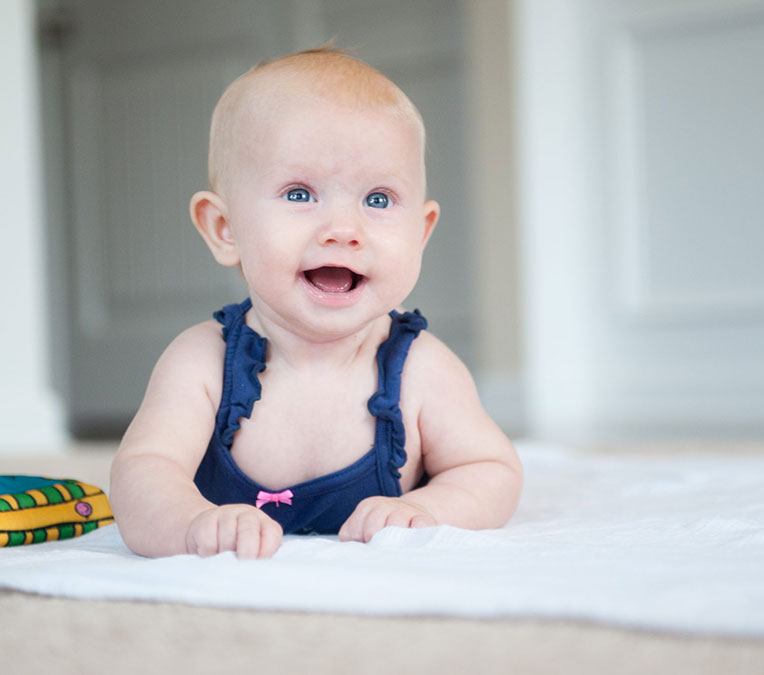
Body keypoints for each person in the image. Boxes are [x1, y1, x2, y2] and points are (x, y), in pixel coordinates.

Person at [109, 47, 522, 559]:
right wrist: (191, 523)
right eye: (300, 194)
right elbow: (142, 471)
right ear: (225, 228)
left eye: (377, 199)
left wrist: (429, 509)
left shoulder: (423, 370)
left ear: (421, 232)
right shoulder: (201, 362)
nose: (343, 230)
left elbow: (489, 469)